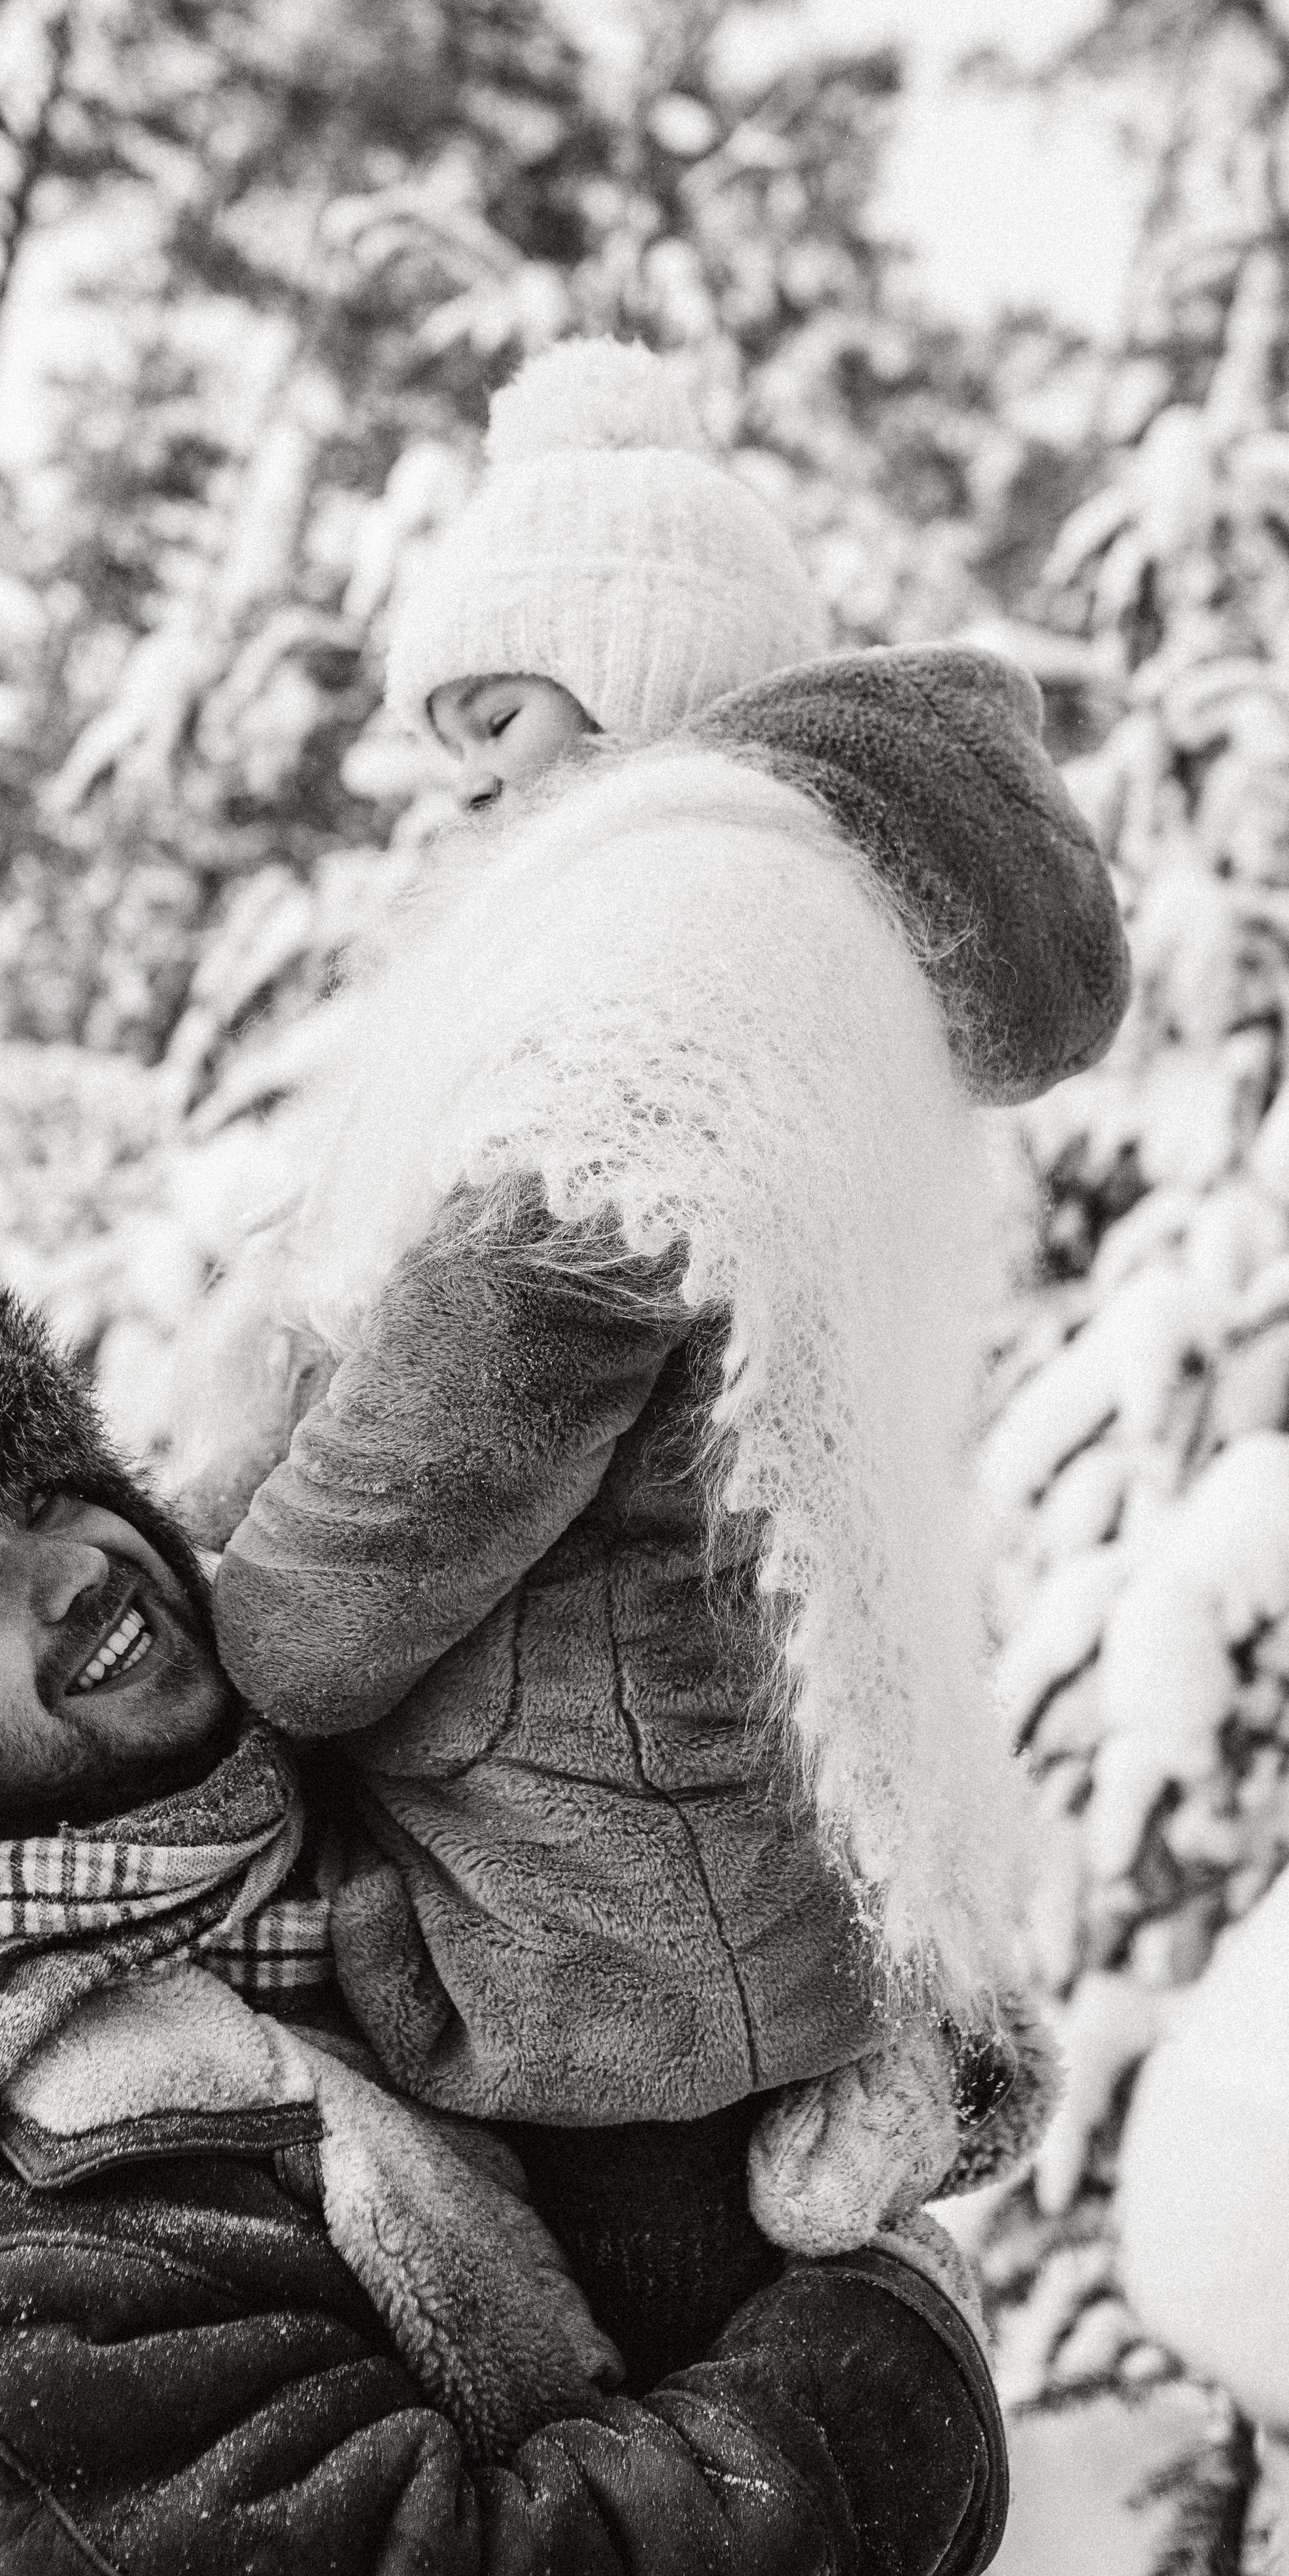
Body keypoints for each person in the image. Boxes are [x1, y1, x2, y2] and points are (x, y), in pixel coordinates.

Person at [0, 1248, 1011, 2576]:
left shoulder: (357, 1823)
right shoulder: (26, 2257)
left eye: (42, 1498)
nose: (66, 1576)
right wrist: (883, 2353)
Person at [180, 338, 1132, 2381]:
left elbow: (497, 1356)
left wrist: (237, 1654)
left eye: (494, 709)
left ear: (627, 671)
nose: (461, 773)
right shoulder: (774, 907)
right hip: (656, 1917)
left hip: (599, 1966)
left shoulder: (682, 927)